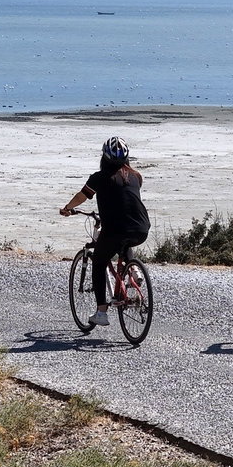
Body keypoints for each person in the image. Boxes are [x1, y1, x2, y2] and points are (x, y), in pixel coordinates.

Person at [60, 136, 149, 326]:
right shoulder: (136, 176)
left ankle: (101, 312)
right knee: (125, 241)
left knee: (99, 262)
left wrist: (67, 208)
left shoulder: (99, 178)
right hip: (141, 227)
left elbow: (81, 197)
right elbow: (123, 198)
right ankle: (133, 269)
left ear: (104, 158)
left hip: (115, 229)